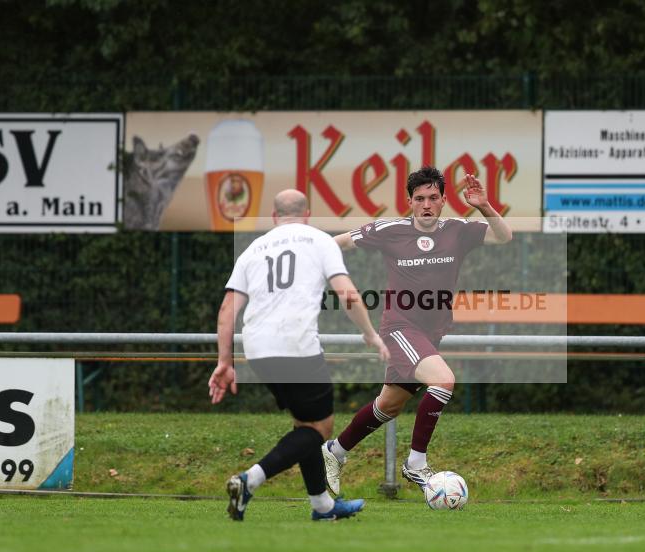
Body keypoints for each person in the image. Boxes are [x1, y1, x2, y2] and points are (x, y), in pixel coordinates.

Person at [321, 166, 513, 494]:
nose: (426, 204)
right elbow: (337, 243)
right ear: (409, 201)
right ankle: (416, 464)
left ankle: (334, 451)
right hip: (399, 327)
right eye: (420, 198)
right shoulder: (390, 230)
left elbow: (503, 236)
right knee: (443, 381)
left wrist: (483, 205)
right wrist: (308, 255)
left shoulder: (458, 230)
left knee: (388, 406)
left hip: (430, 333)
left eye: (433, 198)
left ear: (443, 201)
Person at [208, 189, 390, 521]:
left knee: (304, 423)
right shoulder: (320, 240)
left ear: (275, 217)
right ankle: (249, 480)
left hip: (258, 349)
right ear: (307, 214)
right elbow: (347, 293)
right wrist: (370, 334)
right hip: (296, 345)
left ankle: (322, 506)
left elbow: (226, 310)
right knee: (320, 428)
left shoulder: (252, 249)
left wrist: (224, 362)